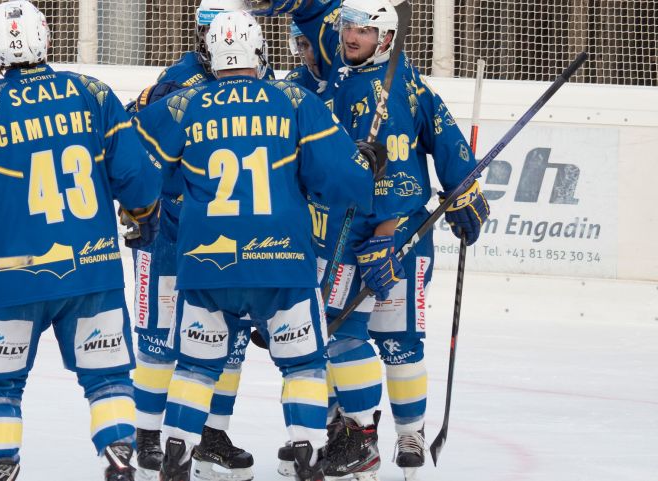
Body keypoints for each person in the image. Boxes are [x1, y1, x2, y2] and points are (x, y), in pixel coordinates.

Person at [0, 2, 162, 480]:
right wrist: (143, 214)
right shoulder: (92, 93)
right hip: (92, 271)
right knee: (107, 376)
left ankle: (2, 465)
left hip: (11, 278)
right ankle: (120, 455)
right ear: (47, 39)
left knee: (0, 382)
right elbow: (136, 177)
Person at [133, 10, 380, 481]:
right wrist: (362, 167)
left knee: (196, 367)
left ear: (211, 53)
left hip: (207, 264)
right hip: (282, 262)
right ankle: (307, 453)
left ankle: (177, 451)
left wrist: (146, 208)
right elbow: (340, 180)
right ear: (260, 51)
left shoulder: (184, 104)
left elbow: (136, 166)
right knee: (303, 364)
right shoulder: (293, 99)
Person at [253, 0, 490, 479]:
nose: (349, 36)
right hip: (340, 233)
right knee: (333, 333)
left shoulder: (392, 91)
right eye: (347, 27)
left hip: (395, 237)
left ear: (385, 38)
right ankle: (345, 431)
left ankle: (405, 432)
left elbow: (412, 164)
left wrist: (462, 192)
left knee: (396, 340)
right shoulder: (339, 71)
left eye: (362, 30)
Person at [126, 2, 272, 480]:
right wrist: (138, 206)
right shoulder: (178, 82)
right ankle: (148, 435)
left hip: (227, 236)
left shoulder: (261, 78)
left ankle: (212, 435)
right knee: (159, 334)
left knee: (229, 340)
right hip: (168, 230)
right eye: (212, 30)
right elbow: (134, 145)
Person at [284, 21, 325, 94]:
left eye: (318, 43)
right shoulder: (295, 82)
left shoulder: (345, 77)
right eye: (304, 45)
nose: (311, 53)